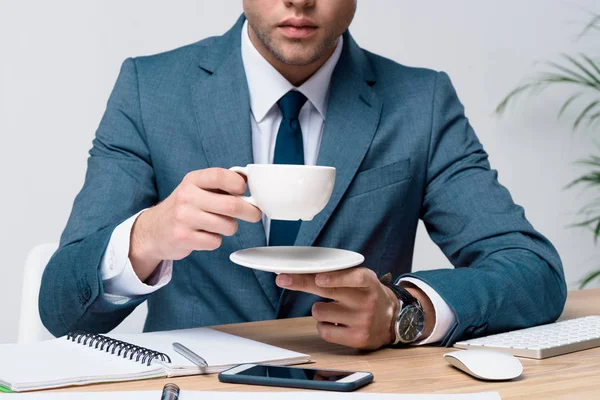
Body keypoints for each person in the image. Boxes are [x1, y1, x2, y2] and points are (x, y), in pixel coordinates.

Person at [39, 0, 567, 350]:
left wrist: (404, 311)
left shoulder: (420, 102)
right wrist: (146, 238)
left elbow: (533, 272)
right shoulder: (149, 90)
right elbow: (62, 309)